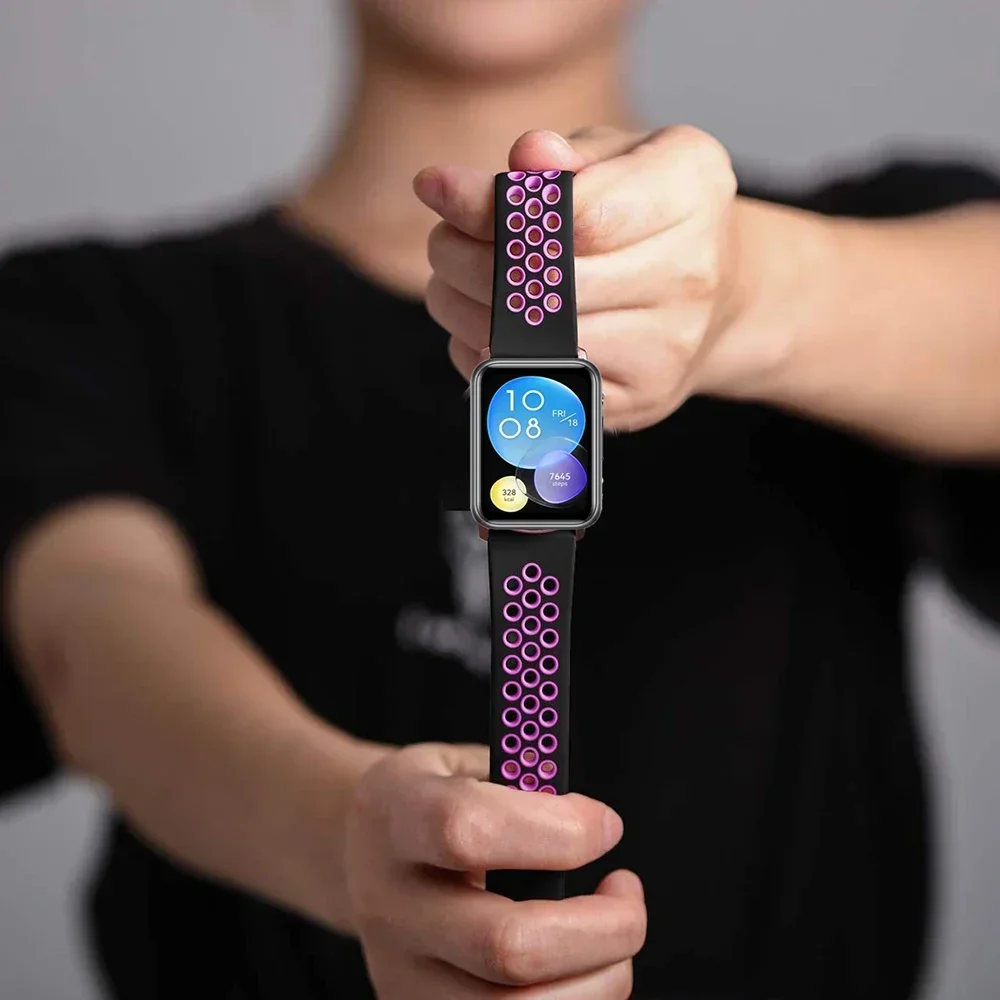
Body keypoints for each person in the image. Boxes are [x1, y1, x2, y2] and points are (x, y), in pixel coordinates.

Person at [2, 1, 1000, 997]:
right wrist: (345, 835)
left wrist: (748, 288)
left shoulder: (895, 236)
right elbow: (85, 638)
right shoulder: (84, 322)